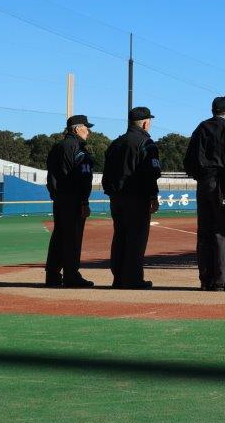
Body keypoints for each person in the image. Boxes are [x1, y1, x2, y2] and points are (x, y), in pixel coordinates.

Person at [184, 95, 225, 292]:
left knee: (204, 232)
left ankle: (206, 279)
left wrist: (201, 177)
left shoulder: (201, 128)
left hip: (204, 184)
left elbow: (189, 161)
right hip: (224, 185)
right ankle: (223, 279)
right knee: (222, 232)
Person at [102, 107, 161, 289]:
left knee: (120, 236)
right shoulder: (146, 143)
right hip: (137, 197)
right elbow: (151, 173)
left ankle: (118, 278)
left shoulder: (116, 143)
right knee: (136, 238)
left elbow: (107, 173)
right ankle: (133, 278)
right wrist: (153, 196)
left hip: (116, 197)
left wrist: (112, 192)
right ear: (144, 123)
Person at [45, 114, 96, 288]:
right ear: (77, 129)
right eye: (86, 128)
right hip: (74, 200)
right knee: (72, 238)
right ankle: (71, 275)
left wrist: (55, 194)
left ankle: (52, 275)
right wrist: (84, 202)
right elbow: (83, 178)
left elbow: (51, 175)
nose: (88, 131)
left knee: (59, 236)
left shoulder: (57, 147)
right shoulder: (77, 147)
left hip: (59, 199)